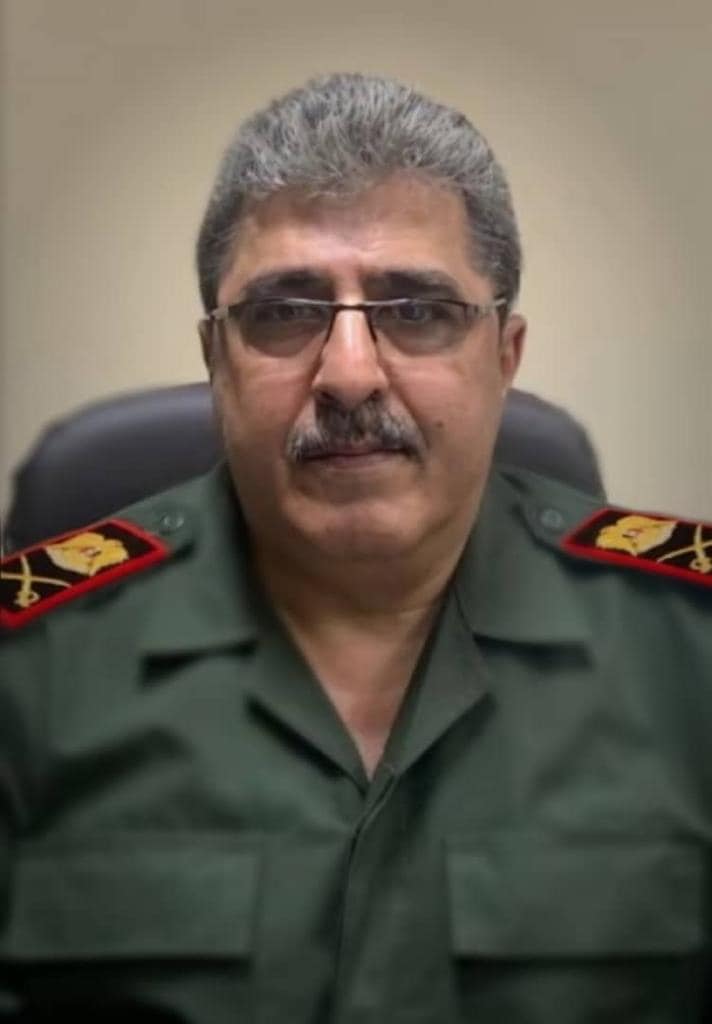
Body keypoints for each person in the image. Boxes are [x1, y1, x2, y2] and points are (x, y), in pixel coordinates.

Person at [1, 72, 710, 1023]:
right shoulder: (29, 668)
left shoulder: (691, 648)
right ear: (216, 361)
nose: (347, 374)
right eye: (284, 312)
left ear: (505, 357)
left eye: (415, 310)